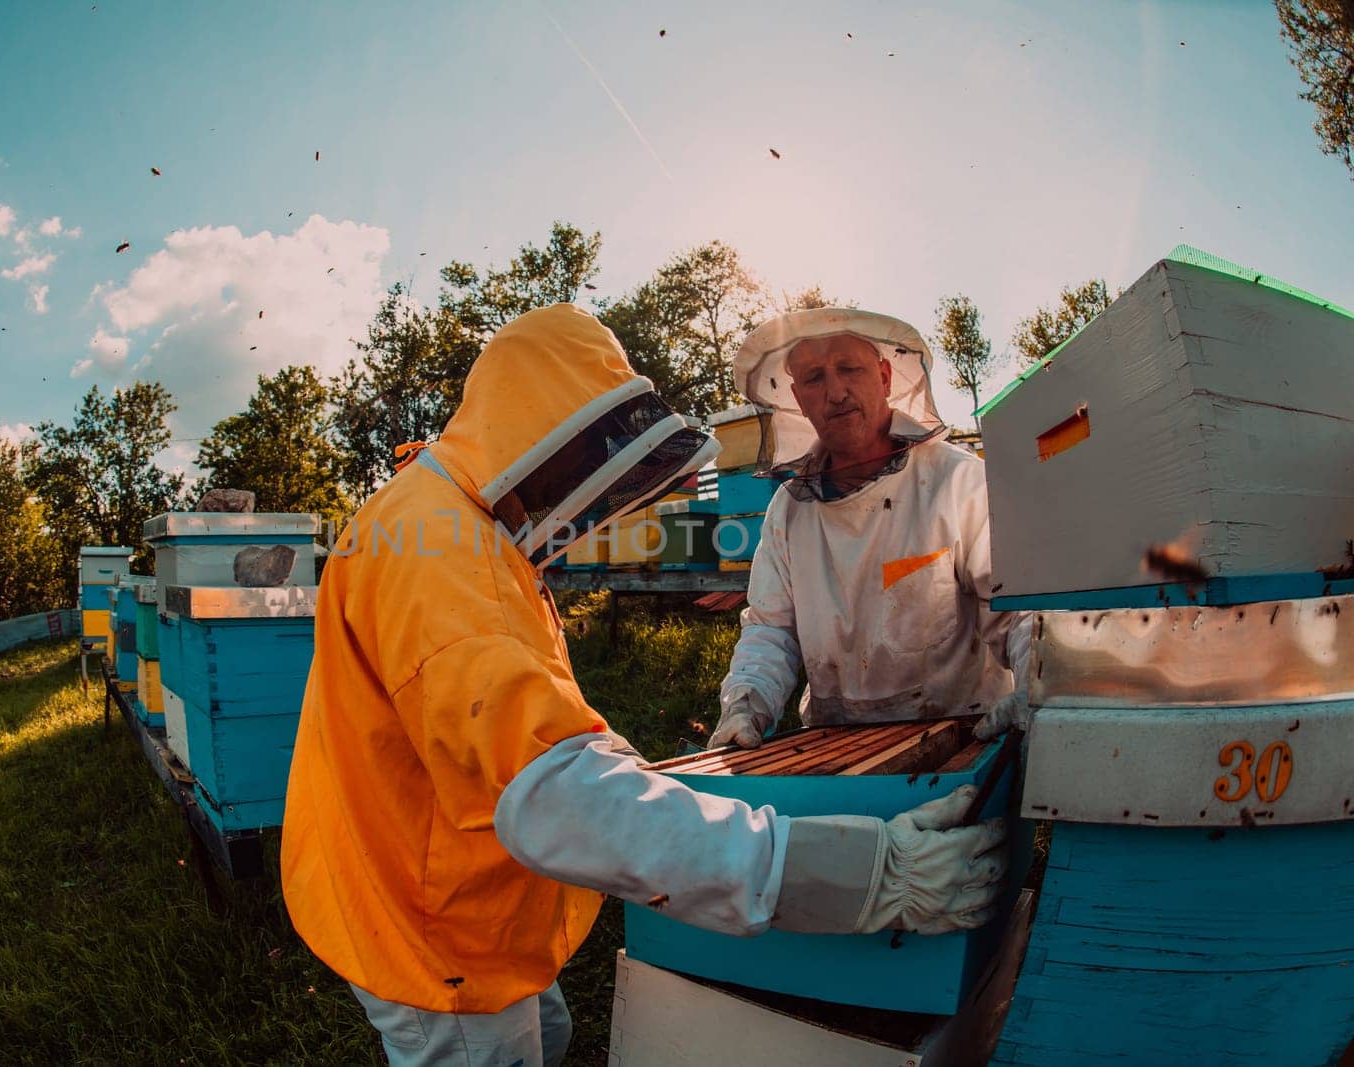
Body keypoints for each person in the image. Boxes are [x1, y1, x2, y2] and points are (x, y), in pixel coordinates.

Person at [283, 304, 1008, 1066]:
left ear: (887, 376)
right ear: (534, 430)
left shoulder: (437, 521)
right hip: (429, 916)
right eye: (586, 456)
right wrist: (853, 869)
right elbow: (561, 792)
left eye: (849, 370)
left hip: (439, 873)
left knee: (551, 1034)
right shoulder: (442, 556)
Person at [709, 308, 1032, 751]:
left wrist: (1036, 686)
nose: (836, 392)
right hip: (833, 743)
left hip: (962, 738)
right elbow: (771, 630)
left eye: (849, 368)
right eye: (814, 378)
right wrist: (745, 704)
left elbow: (1016, 609)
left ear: (884, 377)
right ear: (799, 399)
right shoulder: (788, 511)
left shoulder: (956, 481)